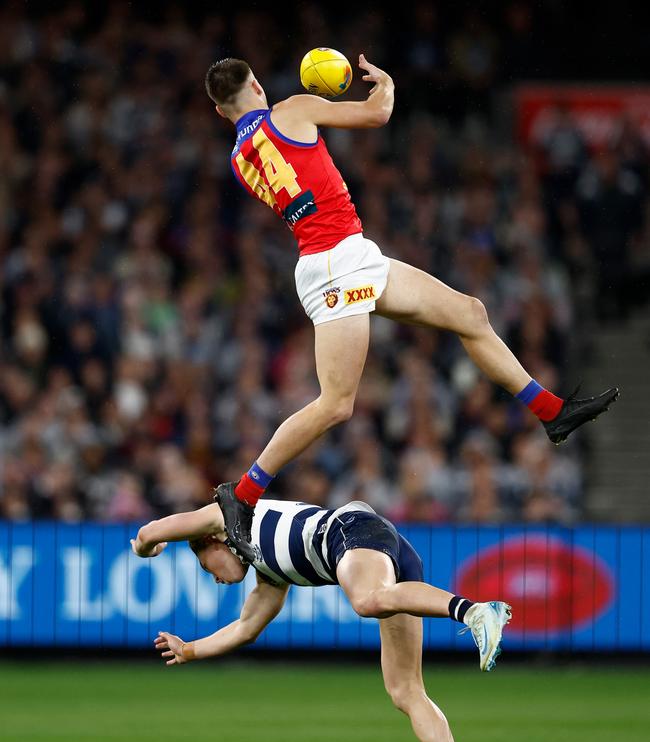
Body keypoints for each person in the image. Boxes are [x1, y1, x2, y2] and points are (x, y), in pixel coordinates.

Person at [204, 55, 619, 562]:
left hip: (346, 254)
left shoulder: (239, 157)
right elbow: (377, 114)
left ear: (222, 111)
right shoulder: (292, 108)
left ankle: (551, 411)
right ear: (257, 85)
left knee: (470, 313)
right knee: (336, 404)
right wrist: (386, 83)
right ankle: (243, 493)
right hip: (336, 262)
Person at [131, 493, 513, 742]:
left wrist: (147, 548)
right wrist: (189, 649)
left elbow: (149, 533)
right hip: (381, 546)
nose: (211, 577)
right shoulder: (269, 577)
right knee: (405, 690)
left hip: (350, 530)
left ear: (215, 540)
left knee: (367, 601)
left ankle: (475, 612)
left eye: (204, 565)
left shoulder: (227, 515)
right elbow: (245, 630)